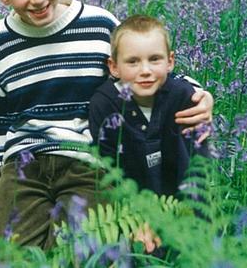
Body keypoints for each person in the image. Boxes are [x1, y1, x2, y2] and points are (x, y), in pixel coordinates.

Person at [0, 0, 213, 255]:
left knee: (79, 253)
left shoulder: (99, 24)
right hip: (23, 162)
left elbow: (137, 62)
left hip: (86, 159)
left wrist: (196, 91)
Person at [89, 14, 211, 254]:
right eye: (132, 62)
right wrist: (135, 218)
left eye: (154, 59)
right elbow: (108, 173)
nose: (145, 70)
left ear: (170, 61)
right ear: (113, 67)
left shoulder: (186, 100)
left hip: (183, 209)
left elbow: (196, 170)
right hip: (129, 215)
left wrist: (176, 219)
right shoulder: (104, 106)